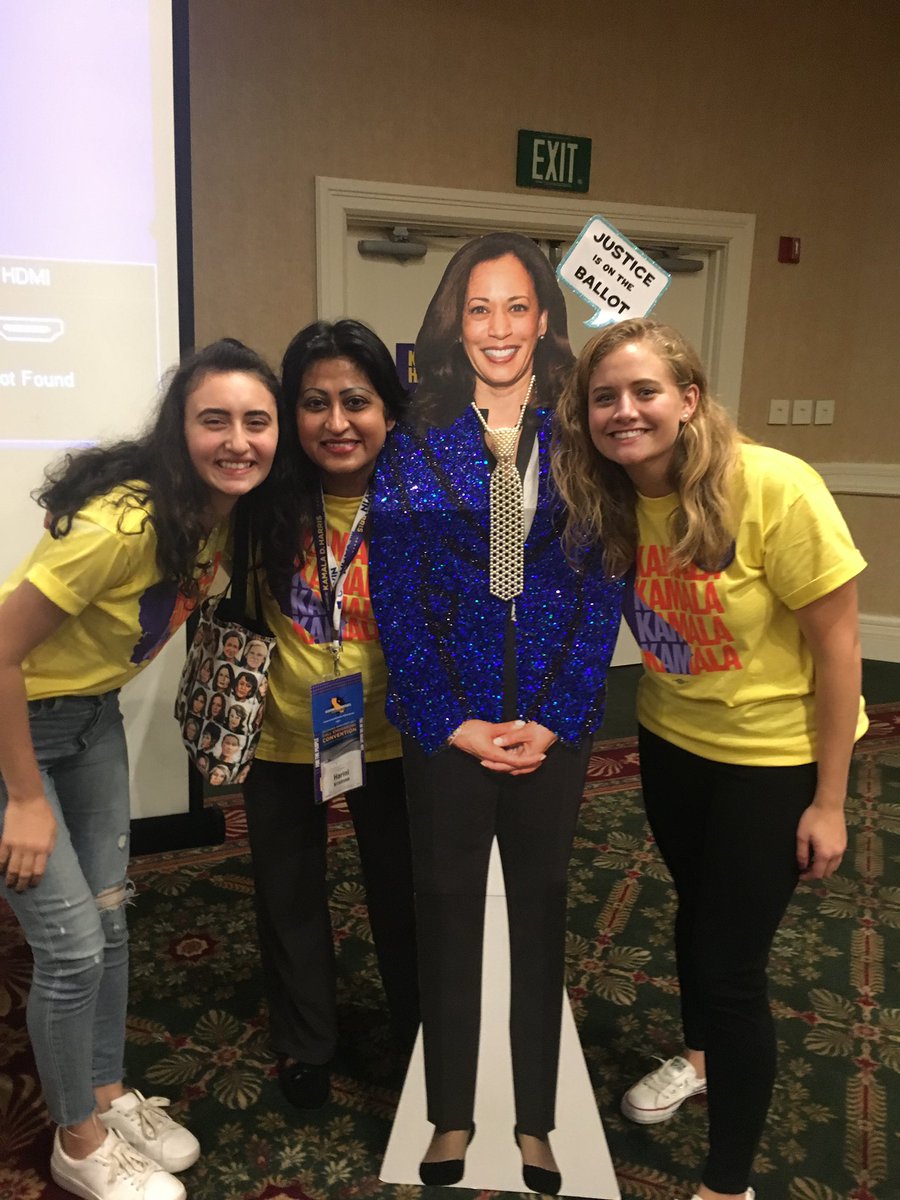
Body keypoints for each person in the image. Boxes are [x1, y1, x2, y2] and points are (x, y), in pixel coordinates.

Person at [552, 317, 867, 1200]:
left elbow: (841, 648)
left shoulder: (773, 486)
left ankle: (727, 1183)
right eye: (604, 396)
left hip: (773, 762)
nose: (624, 411)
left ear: (689, 399)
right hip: (671, 742)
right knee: (697, 914)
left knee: (731, 967)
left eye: (645, 391)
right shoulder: (609, 495)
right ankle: (697, 1060)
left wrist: (832, 800)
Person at [368, 232, 623, 1195]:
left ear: (545, 319)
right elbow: (396, 599)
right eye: (480, 310)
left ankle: (534, 1123)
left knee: (541, 920)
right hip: (448, 732)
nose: (500, 328)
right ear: (454, 322)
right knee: (446, 917)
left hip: (552, 731)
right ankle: (451, 1115)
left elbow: (602, 591)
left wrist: (556, 717)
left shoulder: (583, 441)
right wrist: (448, 718)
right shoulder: (416, 445)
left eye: (517, 307)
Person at [0, 339, 280, 1200]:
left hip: (90, 722)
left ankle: (107, 1093)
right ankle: (76, 1143)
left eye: (256, 422)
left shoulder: (221, 512)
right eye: (214, 420)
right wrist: (22, 800)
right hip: (18, 732)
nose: (238, 440)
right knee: (73, 949)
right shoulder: (122, 527)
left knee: (113, 920)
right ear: (178, 429)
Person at [245, 319, 419, 1111]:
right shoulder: (260, 503)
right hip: (282, 735)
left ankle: (424, 1034)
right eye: (314, 403)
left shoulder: (427, 503)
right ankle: (306, 1043)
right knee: (288, 895)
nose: (337, 422)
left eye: (357, 400)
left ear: (388, 409)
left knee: (405, 893)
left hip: (397, 736)